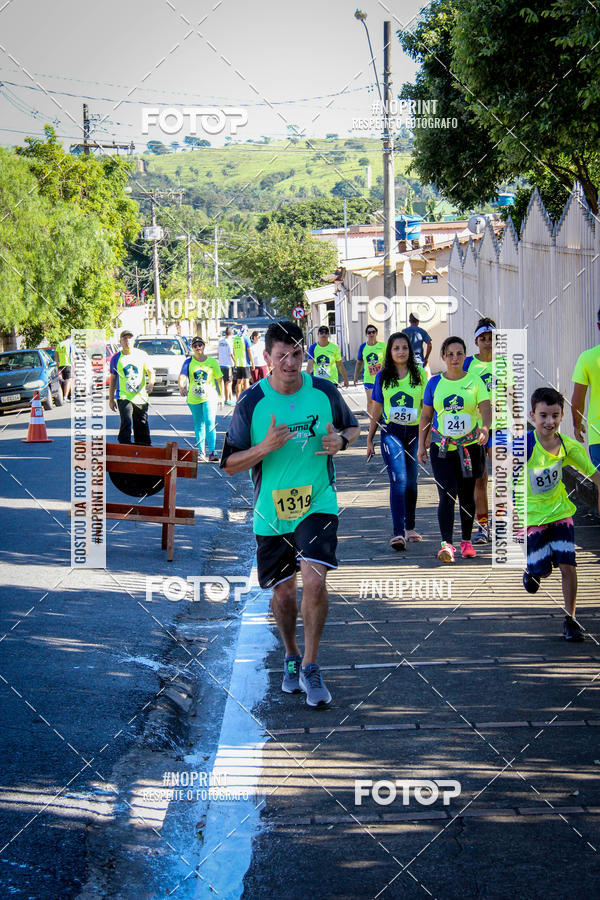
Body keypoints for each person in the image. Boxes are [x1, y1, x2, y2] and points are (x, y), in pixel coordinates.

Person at [221, 320, 359, 707]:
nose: (290, 362)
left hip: (318, 501)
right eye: (281, 355)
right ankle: (292, 655)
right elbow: (229, 463)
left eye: (296, 354)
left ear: (304, 354)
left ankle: (313, 666)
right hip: (271, 512)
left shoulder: (324, 391)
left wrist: (341, 442)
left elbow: (352, 428)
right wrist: (263, 447)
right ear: (266, 358)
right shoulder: (251, 402)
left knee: (314, 582)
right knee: (283, 594)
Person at [522, 387, 600, 641]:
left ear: (562, 415)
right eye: (543, 415)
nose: (549, 421)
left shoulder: (568, 446)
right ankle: (533, 570)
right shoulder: (524, 446)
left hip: (560, 512)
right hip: (533, 517)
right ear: (532, 415)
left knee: (568, 564)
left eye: (555, 415)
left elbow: (594, 474)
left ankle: (571, 619)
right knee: (542, 569)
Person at [418, 335, 491, 562]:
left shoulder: (475, 381)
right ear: (443, 357)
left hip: (470, 448)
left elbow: (486, 408)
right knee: (447, 494)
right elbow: (426, 415)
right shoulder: (434, 383)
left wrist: (486, 428)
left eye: (459, 353)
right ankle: (446, 544)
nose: (455, 358)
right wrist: (421, 444)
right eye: (450, 354)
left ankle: (467, 541)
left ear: (464, 355)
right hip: (442, 449)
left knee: (467, 495)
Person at [367, 332, 427, 550]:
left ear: (410, 351)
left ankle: (410, 527)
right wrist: (370, 438)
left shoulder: (420, 374)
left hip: (414, 433)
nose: (401, 352)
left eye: (404, 348)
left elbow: (427, 409)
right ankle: (398, 532)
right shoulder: (382, 376)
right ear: (389, 352)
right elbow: (376, 408)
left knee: (411, 481)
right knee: (398, 480)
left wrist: (425, 438)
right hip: (391, 432)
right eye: (396, 348)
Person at [463, 317, 497, 543]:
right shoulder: (468, 364)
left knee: (504, 479)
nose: (487, 342)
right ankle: (482, 526)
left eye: (491, 338)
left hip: (500, 427)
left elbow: (513, 395)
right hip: (474, 429)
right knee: (479, 479)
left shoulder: (504, 363)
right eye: (483, 338)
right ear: (476, 341)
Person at [179, 337, 223, 462]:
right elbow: (182, 376)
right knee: (199, 425)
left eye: (200, 345)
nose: (198, 348)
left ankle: (213, 452)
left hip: (210, 397)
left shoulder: (212, 362)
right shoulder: (188, 362)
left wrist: (223, 396)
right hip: (194, 398)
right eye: (195, 346)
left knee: (210, 421)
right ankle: (201, 452)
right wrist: (181, 386)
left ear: (204, 346)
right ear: (192, 348)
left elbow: (220, 379)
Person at [109, 330, 155, 445]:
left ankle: (143, 446)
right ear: (120, 341)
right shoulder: (116, 358)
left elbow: (151, 372)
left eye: (130, 338)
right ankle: (124, 445)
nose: (127, 340)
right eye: (125, 338)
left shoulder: (142, 354)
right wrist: (111, 400)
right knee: (126, 420)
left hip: (140, 396)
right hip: (124, 395)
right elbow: (113, 379)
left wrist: (151, 384)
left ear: (134, 341)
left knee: (141, 422)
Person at [571, 306, 600, 470]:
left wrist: (577, 425)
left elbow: (577, 401)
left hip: (598, 434)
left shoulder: (587, 358)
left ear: (598, 326)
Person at [353, 324, 386, 412]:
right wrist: (355, 376)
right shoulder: (363, 347)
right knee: (370, 401)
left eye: (373, 332)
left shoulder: (382, 346)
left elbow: (388, 360)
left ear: (376, 333)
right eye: (369, 332)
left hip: (381, 378)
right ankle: (371, 421)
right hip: (368, 378)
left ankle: (381, 419)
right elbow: (359, 362)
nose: (371, 334)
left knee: (381, 400)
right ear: (366, 334)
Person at [217, 327, 235, 406]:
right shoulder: (229, 342)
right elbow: (231, 354)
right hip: (228, 365)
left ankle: (230, 398)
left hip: (221, 364)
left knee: (226, 382)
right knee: (228, 382)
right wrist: (235, 362)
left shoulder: (220, 341)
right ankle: (227, 399)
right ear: (232, 333)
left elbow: (218, 353)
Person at [232, 329, 251, 400]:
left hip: (238, 363)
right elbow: (249, 352)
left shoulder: (235, 338)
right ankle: (247, 399)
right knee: (246, 381)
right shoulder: (246, 339)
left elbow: (233, 351)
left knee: (238, 382)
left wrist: (235, 361)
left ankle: (238, 398)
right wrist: (252, 363)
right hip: (245, 363)